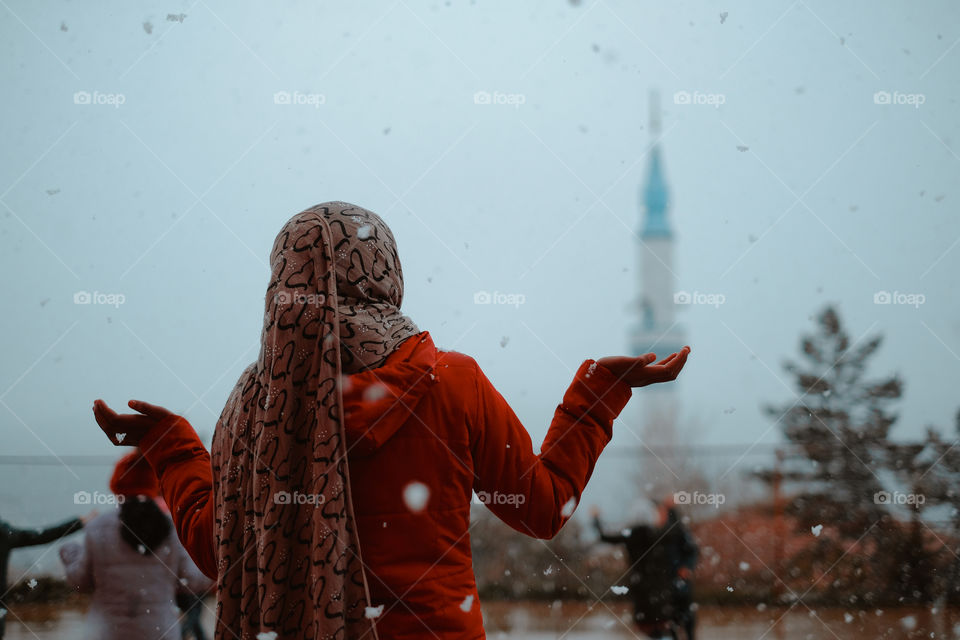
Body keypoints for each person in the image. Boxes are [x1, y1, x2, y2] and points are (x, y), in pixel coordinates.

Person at [90, 202, 692, 639]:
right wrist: (598, 395)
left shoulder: (253, 404)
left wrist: (172, 449)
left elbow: (222, 553)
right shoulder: (449, 382)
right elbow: (542, 508)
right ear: (385, 272)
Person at [58, 450, 212, 639]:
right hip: (159, 630)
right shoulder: (172, 529)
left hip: (108, 632)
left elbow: (80, 583)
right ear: (152, 485)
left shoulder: (97, 528)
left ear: (116, 485)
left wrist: (70, 553)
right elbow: (194, 580)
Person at [592, 497, 698, 640]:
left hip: (641, 592)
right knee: (667, 628)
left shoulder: (629, 535)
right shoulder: (659, 535)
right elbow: (677, 529)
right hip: (661, 592)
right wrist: (671, 509)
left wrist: (596, 518)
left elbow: (604, 536)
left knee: (653, 630)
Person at [0, 511, 91, 639]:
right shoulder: (3, 533)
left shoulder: (3, 533)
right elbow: (41, 536)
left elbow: (40, 536)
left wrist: (76, 524)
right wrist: (76, 524)